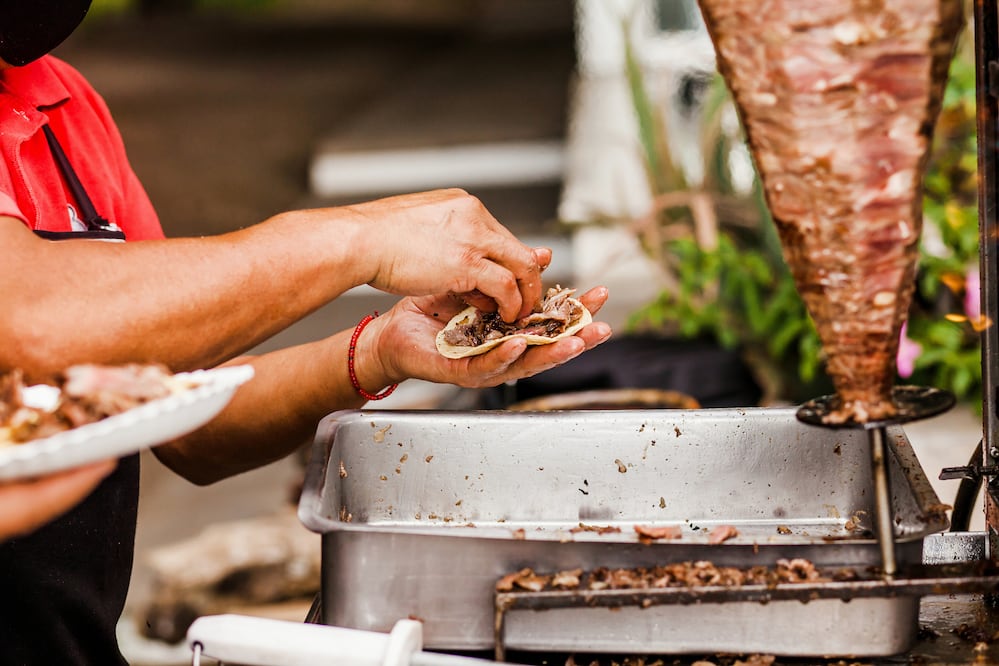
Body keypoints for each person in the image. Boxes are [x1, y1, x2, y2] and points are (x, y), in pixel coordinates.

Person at [0, 2, 612, 664]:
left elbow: (183, 418)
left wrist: (378, 352)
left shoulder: (62, 105)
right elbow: (30, 318)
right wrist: (352, 239)